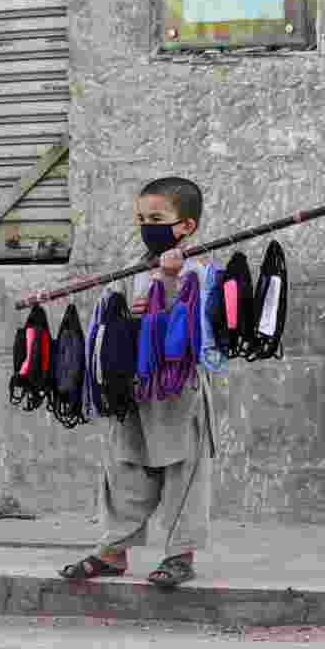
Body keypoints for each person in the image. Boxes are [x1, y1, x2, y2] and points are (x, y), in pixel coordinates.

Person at [58, 177, 216, 587]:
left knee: (184, 471)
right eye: (142, 218)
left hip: (178, 391)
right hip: (134, 389)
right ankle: (113, 552)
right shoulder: (135, 269)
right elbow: (118, 320)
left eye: (158, 218)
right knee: (124, 467)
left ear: (187, 227)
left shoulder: (198, 271)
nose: (147, 225)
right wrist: (132, 311)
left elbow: (198, 331)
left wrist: (168, 284)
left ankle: (180, 554)